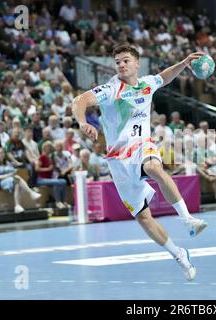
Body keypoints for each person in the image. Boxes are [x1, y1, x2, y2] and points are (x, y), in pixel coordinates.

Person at [72, 44, 207, 280]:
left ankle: (188, 220)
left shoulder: (146, 84)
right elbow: (79, 100)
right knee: (143, 218)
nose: (121, 65)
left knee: (154, 166)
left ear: (137, 64)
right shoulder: (111, 89)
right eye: (117, 62)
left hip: (142, 145)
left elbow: (163, 78)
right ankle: (179, 254)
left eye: (125, 61)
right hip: (118, 160)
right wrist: (83, 122)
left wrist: (184, 63)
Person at [0, 147, 41, 213]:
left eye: (2, 153)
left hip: (12, 179)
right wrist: (8, 175)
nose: (1, 154)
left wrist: (13, 172)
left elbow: (12, 171)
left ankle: (17, 206)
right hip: (2, 182)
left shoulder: (7, 163)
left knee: (17, 184)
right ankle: (31, 192)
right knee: (17, 178)